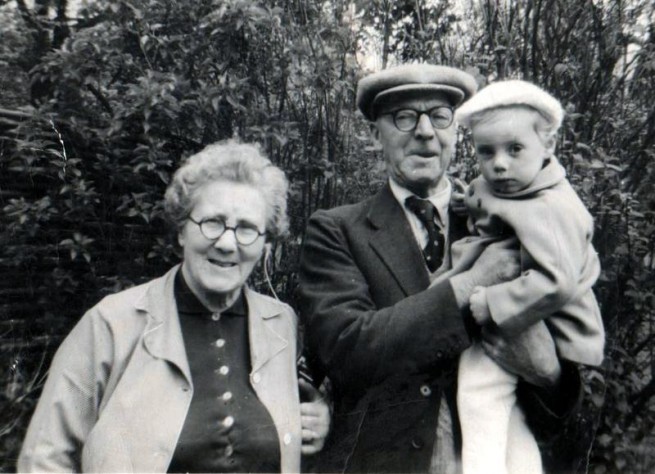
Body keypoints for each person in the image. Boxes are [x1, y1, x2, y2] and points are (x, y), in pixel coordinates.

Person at [298, 65, 583, 473]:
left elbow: (567, 382)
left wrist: (550, 373)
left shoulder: (510, 220)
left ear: (455, 131)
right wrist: (474, 282)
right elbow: (347, 350)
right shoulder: (337, 230)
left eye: (439, 115)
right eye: (404, 116)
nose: (425, 131)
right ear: (376, 133)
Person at [18, 141, 330, 473]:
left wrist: (322, 415)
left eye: (246, 229)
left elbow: (291, 418)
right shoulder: (111, 324)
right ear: (182, 229)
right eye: (212, 222)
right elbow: (44, 458)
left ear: (265, 245)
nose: (227, 243)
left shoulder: (280, 324)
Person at [444, 80, 605, 474]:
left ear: (547, 146)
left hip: (539, 322)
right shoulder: (514, 183)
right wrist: (466, 203)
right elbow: (486, 197)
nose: (499, 163)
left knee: (479, 392)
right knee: (513, 423)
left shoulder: (550, 206)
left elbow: (556, 281)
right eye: (487, 151)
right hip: (529, 318)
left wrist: (491, 304)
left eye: (515, 149)